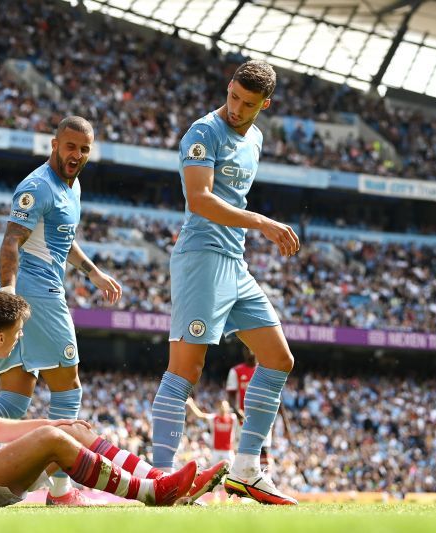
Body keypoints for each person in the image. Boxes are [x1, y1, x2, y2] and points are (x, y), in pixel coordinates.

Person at [0, 290, 224, 508]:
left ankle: (165, 482)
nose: (20, 338)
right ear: (1, 336)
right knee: (53, 437)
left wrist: (54, 423)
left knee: (70, 429)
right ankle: (154, 494)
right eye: (19, 332)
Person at [150, 59, 299, 505]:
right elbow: (199, 199)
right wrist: (262, 222)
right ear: (228, 87)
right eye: (233, 96)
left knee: (278, 358)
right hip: (201, 258)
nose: (236, 108)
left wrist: (251, 229)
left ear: (264, 105)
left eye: (247, 103)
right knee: (186, 370)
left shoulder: (254, 137)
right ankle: (159, 477)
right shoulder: (202, 133)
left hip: (235, 263)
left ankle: (247, 469)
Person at [0, 116, 122, 504]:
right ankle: (61, 491)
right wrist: (10, 293)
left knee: (15, 397)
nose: (77, 154)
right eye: (70, 146)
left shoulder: (72, 185)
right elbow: (12, 241)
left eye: (84, 149)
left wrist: (94, 274)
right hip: (38, 293)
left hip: (32, 291)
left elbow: (64, 239)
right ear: (54, 144)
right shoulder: (37, 186)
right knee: (68, 391)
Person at [186, 398, 238, 467]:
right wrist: (191, 404)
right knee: (212, 472)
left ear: (228, 408)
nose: (222, 408)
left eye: (224, 406)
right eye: (221, 406)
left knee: (231, 472)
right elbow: (200, 415)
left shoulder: (233, 418)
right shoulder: (214, 418)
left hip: (228, 451)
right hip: (216, 451)